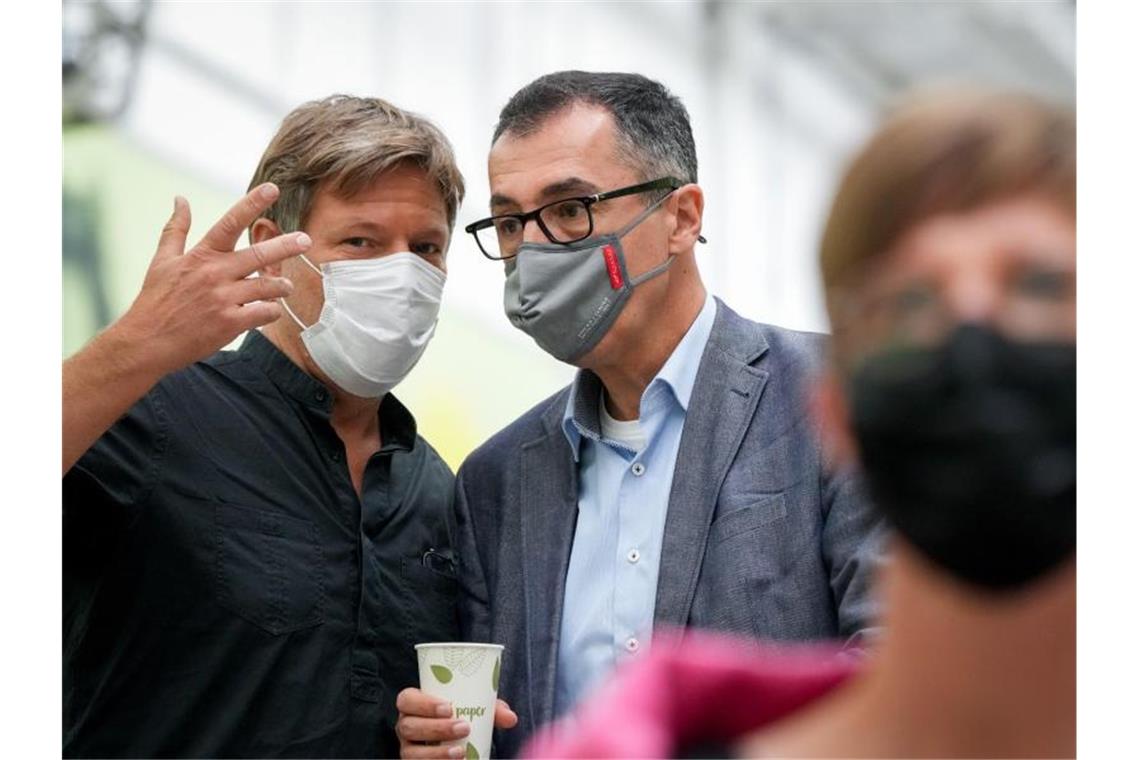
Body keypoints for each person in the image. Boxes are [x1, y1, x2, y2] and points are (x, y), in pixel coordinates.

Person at [523, 87, 1076, 758]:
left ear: (681, 217)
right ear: (837, 411)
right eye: (908, 303)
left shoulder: (782, 395)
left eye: (1040, 286)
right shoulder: (502, 478)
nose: (971, 335)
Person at [396, 70, 885, 758]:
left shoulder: (831, 401)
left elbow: (900, 682)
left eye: (570, 209)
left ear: (682, 218)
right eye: (510, 223)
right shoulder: (497, 483)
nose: (534, 249)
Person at [64, 95, 472, 757]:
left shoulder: (438, 495)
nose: (402, 274)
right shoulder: (156, 415)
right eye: (361, 241)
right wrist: (135, 345)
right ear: (273, 248)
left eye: (426, 248)